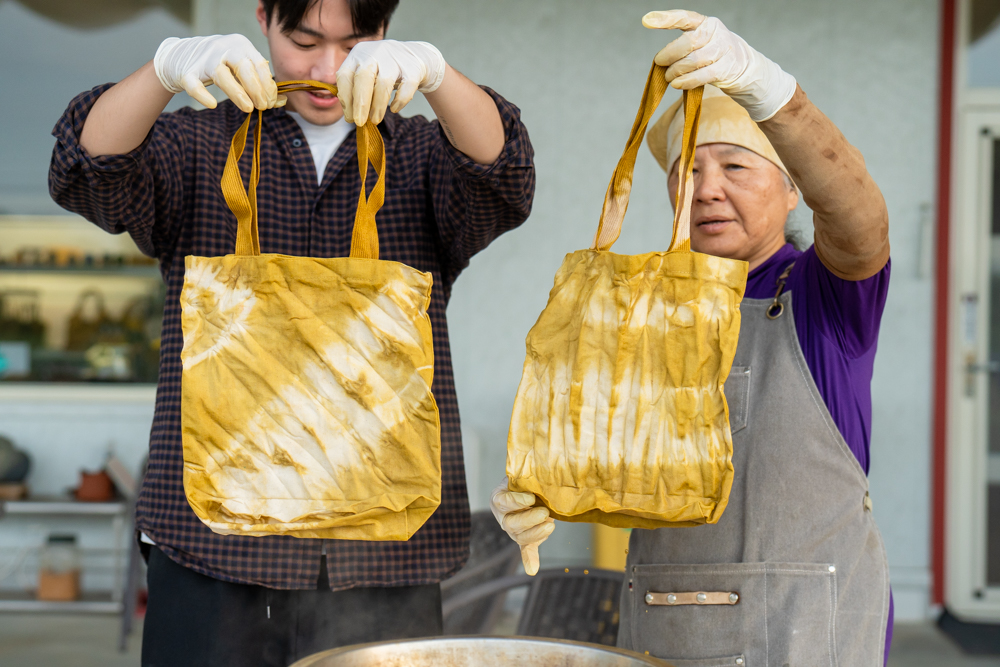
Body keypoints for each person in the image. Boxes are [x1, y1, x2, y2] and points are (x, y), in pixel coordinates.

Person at [49, 0, 535, 664]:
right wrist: (165, 68)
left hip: (383, 557)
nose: (327, 67)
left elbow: (506, 176)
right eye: (304, 40)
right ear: (262, 18)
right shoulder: (195, 147)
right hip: (213, 550)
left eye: (354, 41)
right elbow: (83, 168)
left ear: (386, 32)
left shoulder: (424, 156)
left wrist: (436, 74)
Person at [490, 9, 893, 665]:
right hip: (665, 634)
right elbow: (608, 462)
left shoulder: (826, 297)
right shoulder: (641, 312)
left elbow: (859, 219)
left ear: (793, 188)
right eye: (688, 170)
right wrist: (539, 491)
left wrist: (773, 92)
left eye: (736, 166)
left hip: (807, 637)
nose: (706, 190)